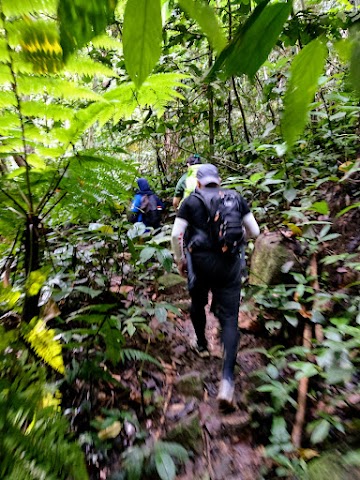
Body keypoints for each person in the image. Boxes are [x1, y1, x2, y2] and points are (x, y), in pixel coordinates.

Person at [171, 164, 260, 409]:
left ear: (198, 183)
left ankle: (201, 344)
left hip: (199, 265)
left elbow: (175, 235)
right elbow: (255, 231)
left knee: (197, 302)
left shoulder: (189, 202)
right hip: (229, 266)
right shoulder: (235, 198)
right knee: (230, 318)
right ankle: (227, 383)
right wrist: (236, 242)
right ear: (218, 181)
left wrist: (181, 261)